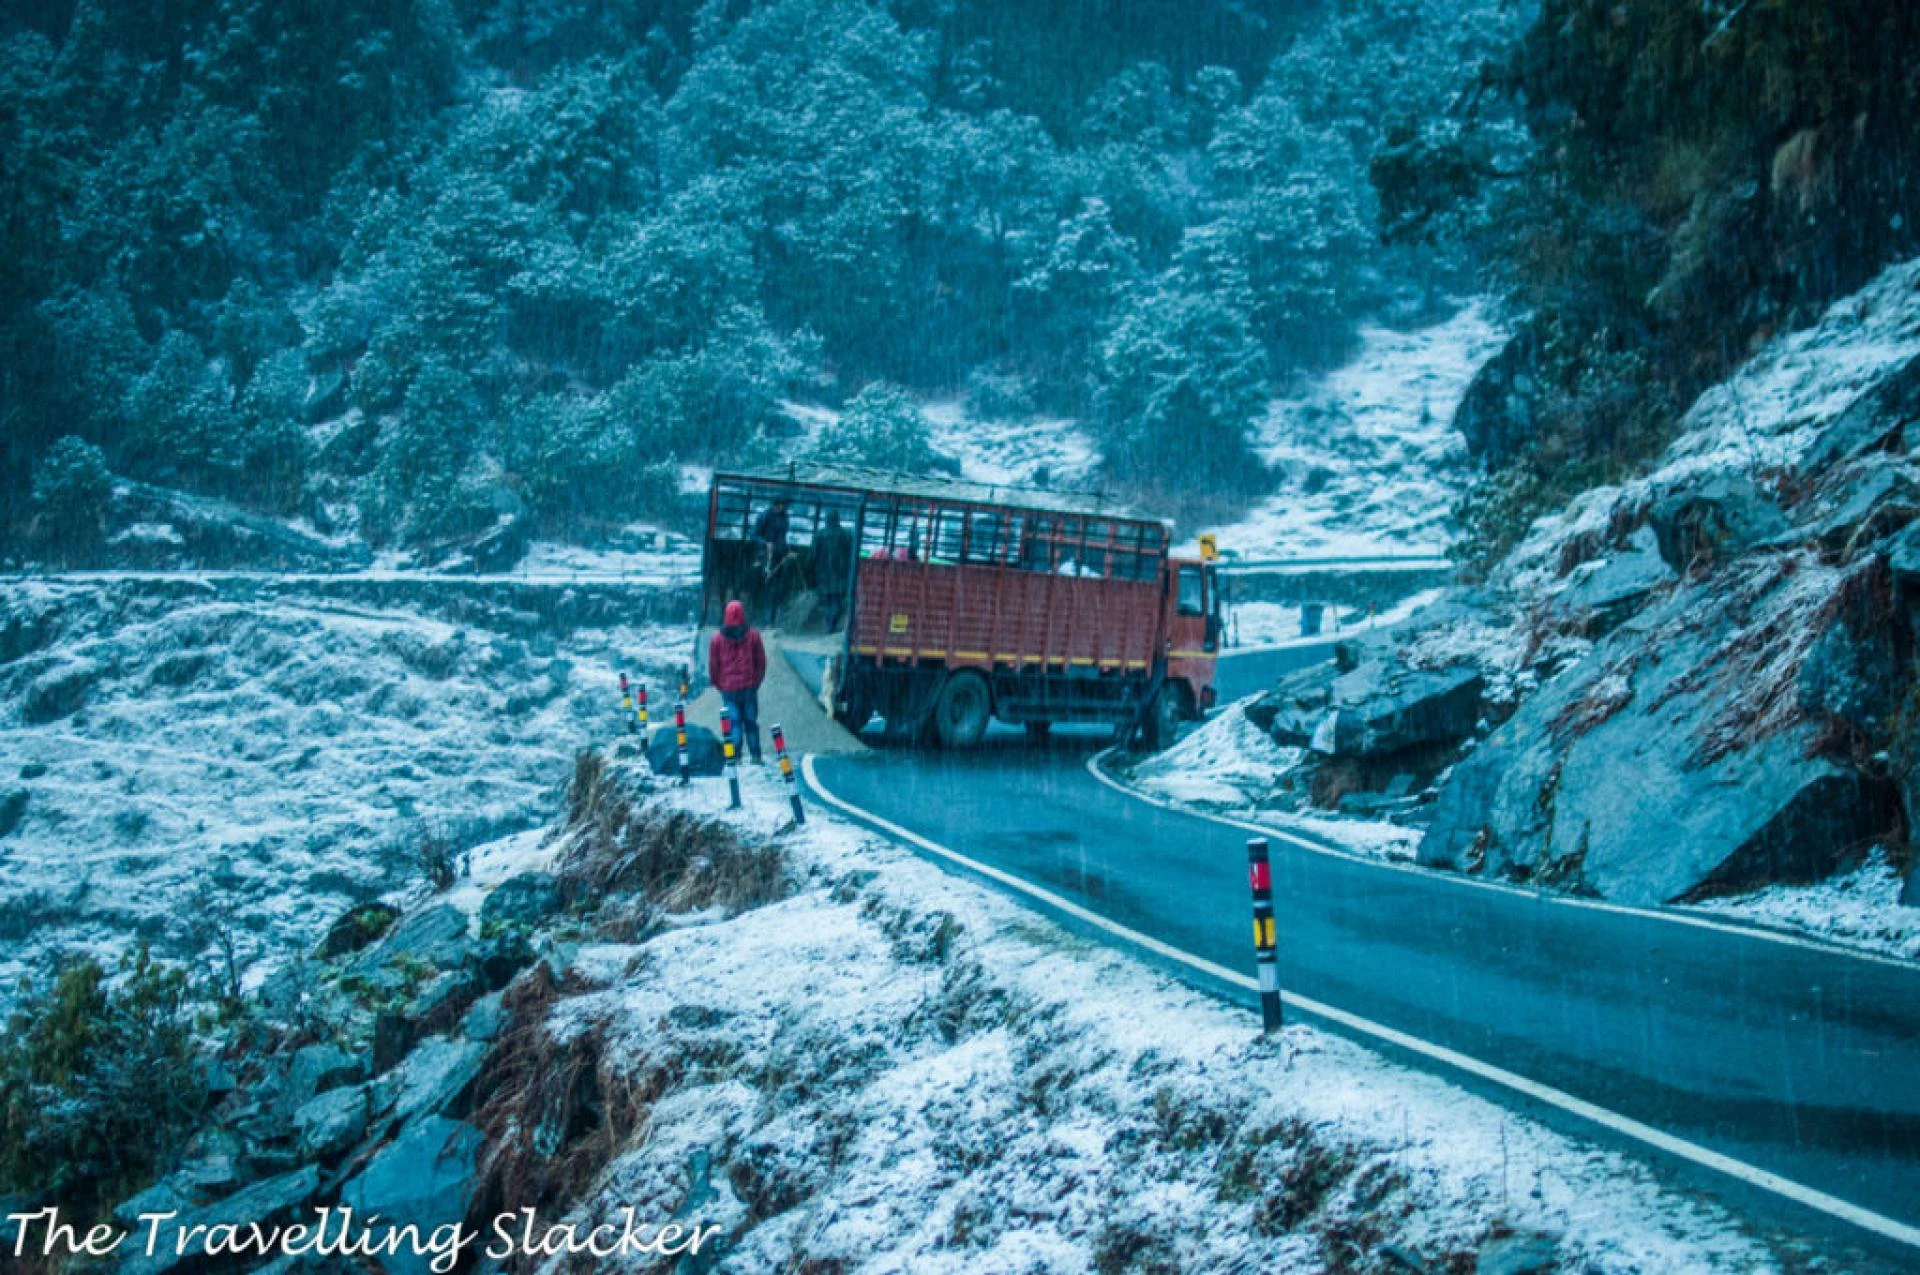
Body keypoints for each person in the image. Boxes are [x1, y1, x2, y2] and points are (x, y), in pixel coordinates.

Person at [708, 598, 768, 761]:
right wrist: (756, 682)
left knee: (734, 723)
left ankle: (735, 755)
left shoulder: (717, 639)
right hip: (749, 687)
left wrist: (719, 684)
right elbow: (761, 662)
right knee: (751, 722)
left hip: (728, 688)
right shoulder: (753, 636)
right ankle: (755, 755)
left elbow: (713, 666)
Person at [814, 510, 852, 629]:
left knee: (828, 599)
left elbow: (814, 554)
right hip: (841, 573)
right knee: (837, 600)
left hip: (824, 572)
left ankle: (828, 624)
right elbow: (851, 554)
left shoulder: (820, 534)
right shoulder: (846, 534)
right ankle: (832, 625)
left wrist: (813, 569)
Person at [753, 499, 791, 571]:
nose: (781, 509)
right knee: (760, 565)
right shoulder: (763, 516)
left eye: (782, 507)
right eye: (778, 507)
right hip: (763, 549)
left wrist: (786, 550)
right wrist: (765, 543)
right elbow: (755, 535)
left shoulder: (784, 517)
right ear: (774, 506)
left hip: (777, 550)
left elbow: (782, 536)